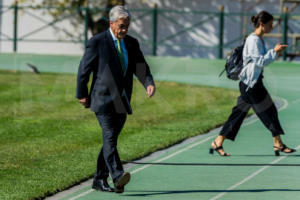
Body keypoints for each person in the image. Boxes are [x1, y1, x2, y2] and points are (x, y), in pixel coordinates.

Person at [76, 5, 156, 193]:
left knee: (109, 142)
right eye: (121, 26)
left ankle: (98, 179)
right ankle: (118, 176)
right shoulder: (97, 42)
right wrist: (81, 93)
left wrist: (148, 83)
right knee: (110, 137)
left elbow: (140, 67)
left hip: (122, 100)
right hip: (102, 98)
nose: (124, 30)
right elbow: (84, 70)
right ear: (111, 24)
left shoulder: (131, 43)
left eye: (127, 26)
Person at [210, 11, 296, 157]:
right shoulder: (254, 40)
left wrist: (275, 53)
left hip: (251, 83)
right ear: (262, 24)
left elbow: (261, 60)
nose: (272, 27)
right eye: (270, 25)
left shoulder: (259, 40)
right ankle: (278, 143)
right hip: (251, 85)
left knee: (238, 115)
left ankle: (218, 142)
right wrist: (274, 52)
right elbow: (260, 61)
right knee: (268, 112)